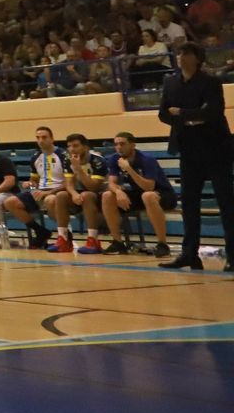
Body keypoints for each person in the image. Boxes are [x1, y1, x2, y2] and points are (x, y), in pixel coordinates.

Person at [157, 43, 234, 271]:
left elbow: (213, 111)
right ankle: (190, 253)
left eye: (186, 53)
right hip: (188, 150)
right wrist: (192, 117)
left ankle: (232, 255)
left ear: (197, 58)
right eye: (179, 53)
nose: (181, 57)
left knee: (227, 203)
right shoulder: (170, 82)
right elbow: (163, 113)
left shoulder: (210, 82)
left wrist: (181, 113)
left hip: (216, 149)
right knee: (189, 204)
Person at [100, 131, 175, 257]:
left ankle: (162, 244)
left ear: (133, 145)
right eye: (116, 144)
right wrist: (118, 192)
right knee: (107, 195)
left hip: (163, 194)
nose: (119, 147)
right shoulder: (114, 159)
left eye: (122, 144)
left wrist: (129, 168)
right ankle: (117, 242)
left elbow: (149, 187)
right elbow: (111, 183)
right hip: (139, 194)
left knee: (148, 196)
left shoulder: (147, 159)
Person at [0, 126, 62, 250]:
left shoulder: (62, 155)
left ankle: (65, 235)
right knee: (9, 202)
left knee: (50, 200)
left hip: (58, 191)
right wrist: (30, 184)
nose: (40, 140)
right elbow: (34, 180)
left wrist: (48, 192)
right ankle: (40, 231)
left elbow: (69, 182)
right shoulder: (36, 157)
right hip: (40, 191)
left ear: (52, 139)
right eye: (38, 138)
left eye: (44, 137)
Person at [50, 133, 106, 255]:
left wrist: (78, 169)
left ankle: (93, 240)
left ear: (85, 147)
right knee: (61, 195)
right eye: (69, 146)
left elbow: (93, 187)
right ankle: (63, 239)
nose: (71, 149)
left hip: (100, 195)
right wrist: (74, 194)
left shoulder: (97, 160)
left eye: (75, 146)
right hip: (81, 194)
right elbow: (69, 183)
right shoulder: (68, 159)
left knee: (87, 195)